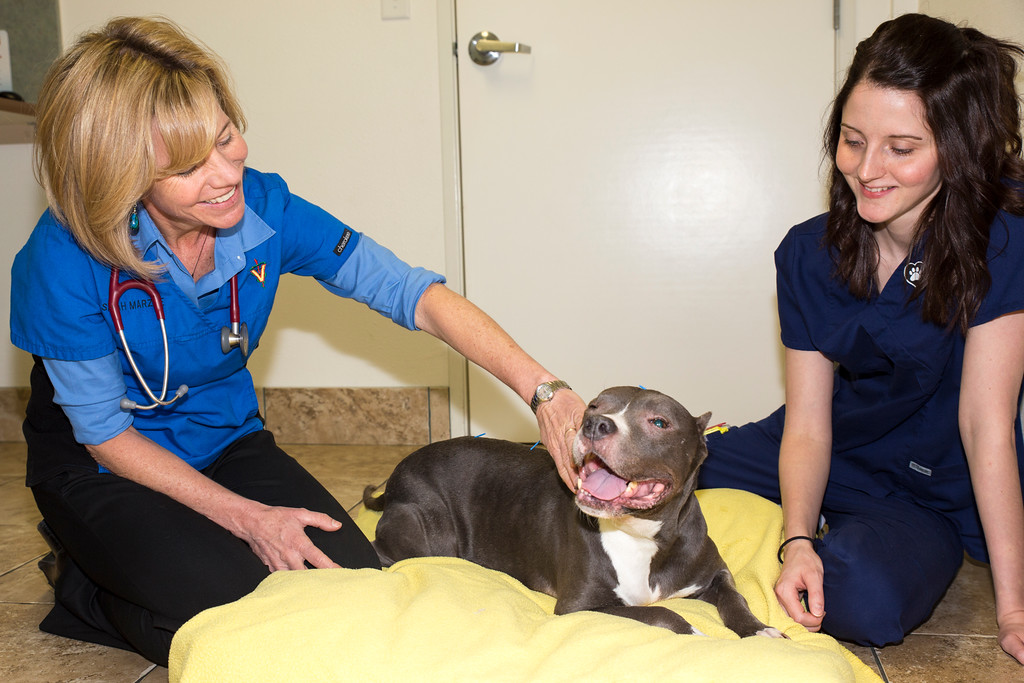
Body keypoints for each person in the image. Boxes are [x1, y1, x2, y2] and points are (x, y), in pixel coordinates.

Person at [9, 16, 585, 666]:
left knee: (351, 591)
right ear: (120, 173)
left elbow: (410, 293)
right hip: (104, 462)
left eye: (227, 137)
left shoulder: (264, 210)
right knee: (237, 621)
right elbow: (104, 434)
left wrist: (545, 388)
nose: (227, 172)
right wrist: (248, 517)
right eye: (190, 166)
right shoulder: (60, 259)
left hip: (223, 437)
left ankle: (144, 562)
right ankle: (82, 585)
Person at [698, 13, 1024, 664]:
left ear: (957, 149)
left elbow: (985, 425)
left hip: (925, 486)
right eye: (852, 140)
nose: (867, 168)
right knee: (641, 474)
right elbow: (811, 423)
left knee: (862, 599)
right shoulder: (807, 253)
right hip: (828, 441)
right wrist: (795, 540)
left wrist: (1013, 608)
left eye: (901, 149)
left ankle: (849, 538)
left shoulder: (1003, 239)